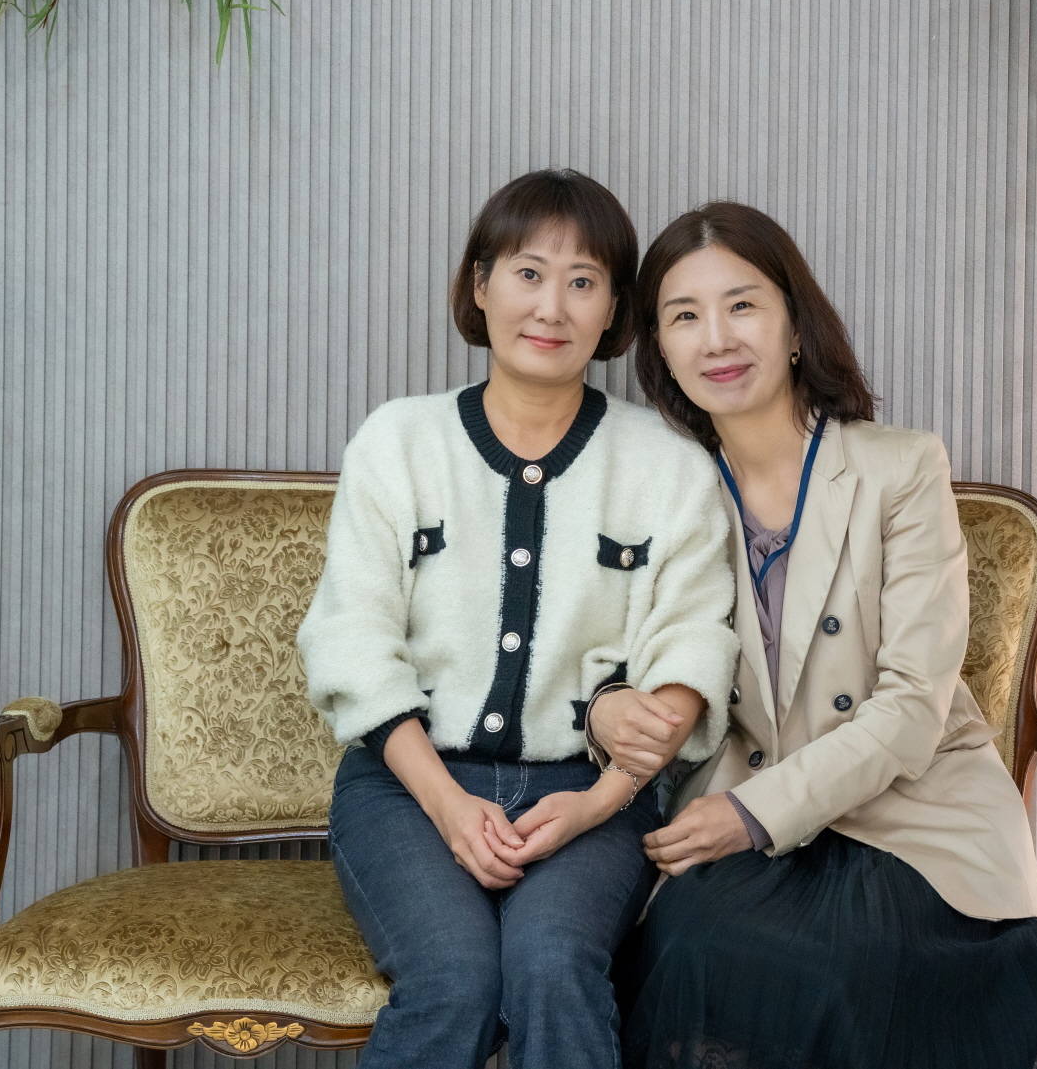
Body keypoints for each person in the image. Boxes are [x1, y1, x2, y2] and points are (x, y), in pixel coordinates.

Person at [609, 201, 1037, 1069]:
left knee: (835, 972)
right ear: (660, 349)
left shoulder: (901, 466)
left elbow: (910, 709)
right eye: (685, 315)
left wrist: (751, 816)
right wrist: (612, 707)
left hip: (913, 816)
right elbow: (612, 655)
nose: (718, 337)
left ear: (794, 326)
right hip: (742, 802)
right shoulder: (666, 489)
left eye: (742, 304)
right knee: (691, 943)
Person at [298, 169, 740, 1069]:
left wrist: (596, 803)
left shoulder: (669, 464)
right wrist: (449, 804)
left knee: (551, 963)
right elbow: (353, 641)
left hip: (594, 790)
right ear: (481, 284)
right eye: (528, 273)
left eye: (583, 281)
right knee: (455, 976)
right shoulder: (397, 441)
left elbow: (691, 648)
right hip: (406, 788)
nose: (551, 307)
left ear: (614, 310)